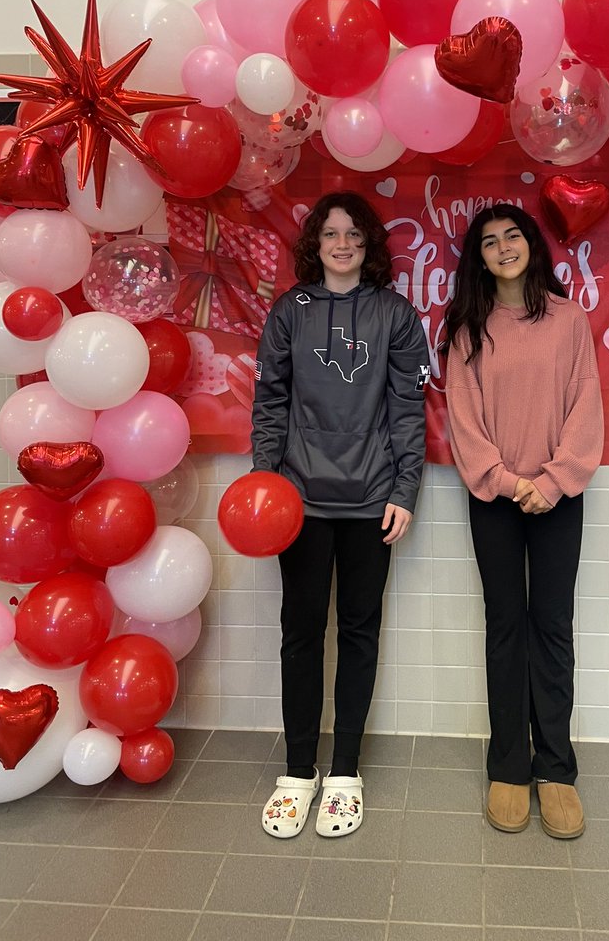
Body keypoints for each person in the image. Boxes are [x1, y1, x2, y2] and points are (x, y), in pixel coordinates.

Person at [251, 190, 429, 839]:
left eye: (354, 232)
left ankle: (345, 774)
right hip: (297, 505)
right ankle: (299, 773)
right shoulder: (289, 313)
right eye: (331, 233)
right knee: (299, 635)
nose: (343, 242)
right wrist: (265, 488)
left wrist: (404, 491)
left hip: (370, 504)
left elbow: (407, 412)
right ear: (315, 243)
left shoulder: (395, 314)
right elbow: (269, 403)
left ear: (370, 243)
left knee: (359, 633)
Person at [443, 203, 604, 840]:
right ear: (478, 257)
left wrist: (553, 482)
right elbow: (464, 420)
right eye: (489, 241)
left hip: (559, 498)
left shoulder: (570, 320)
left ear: (532, 245)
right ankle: (509, 765)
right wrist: (510, 484)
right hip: (495, 500)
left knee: (552, 627)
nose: (503, 247)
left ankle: (557, 770)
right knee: (505, 626)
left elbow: (585, 404)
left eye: (513, 236)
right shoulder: (468, 327)